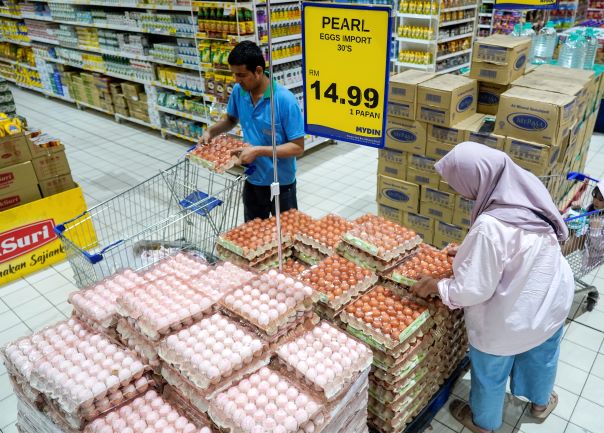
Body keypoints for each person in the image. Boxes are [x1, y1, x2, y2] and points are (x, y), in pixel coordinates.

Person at [410, 142, 574, 433]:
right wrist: (469, 252)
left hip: (510, 320)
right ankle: (540, 404)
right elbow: (521, 246)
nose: (461, 193)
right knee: (542, 356)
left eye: (459, 185)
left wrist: (437, 286)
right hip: (551, 301)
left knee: (490, 373)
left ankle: (483, 423)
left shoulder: (489, 225)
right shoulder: (527, 189)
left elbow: (473, 290)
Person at [198, 41, 305, 222]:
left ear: (258, 71)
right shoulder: (239, 92)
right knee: (252, 232)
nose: (236, 80)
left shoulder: (284, 100)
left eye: (241, 75)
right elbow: (231, 120)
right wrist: (211, 131)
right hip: (252, 178)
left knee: (286, 233)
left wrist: (257, 151)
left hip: (281, 183)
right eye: (234, 74)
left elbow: (298, 147)